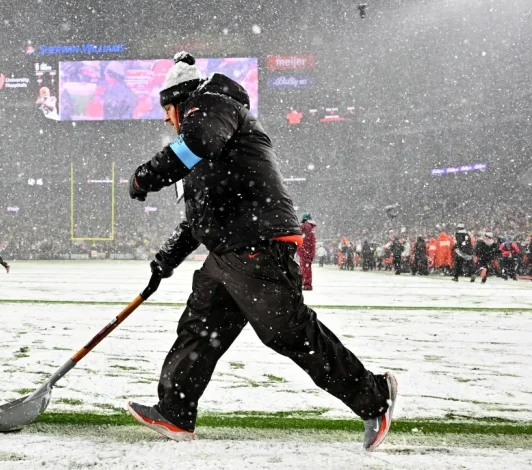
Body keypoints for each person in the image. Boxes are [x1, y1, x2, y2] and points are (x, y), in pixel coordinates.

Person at [125, 52, 396, 451]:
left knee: (287, 333)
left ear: (180, 100)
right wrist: (164, 260)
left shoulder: (211, 107)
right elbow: (200, 219)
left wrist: (145, 176)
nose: (166, 119)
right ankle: (175, 413)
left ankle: (375, 395)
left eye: (167, 109)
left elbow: (196, 142)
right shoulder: (205, 146)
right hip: (228, 252)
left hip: (257, 245)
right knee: (200, 330)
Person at [297, 213, 316, 290]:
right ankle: (306, 284)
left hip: (305, 251)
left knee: (304, 268)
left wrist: (301, 250)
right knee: (307, 268)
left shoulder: (304, 227)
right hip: (309, 251)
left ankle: (306, 284)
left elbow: (301, 239)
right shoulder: (311, 228)